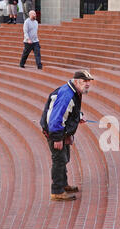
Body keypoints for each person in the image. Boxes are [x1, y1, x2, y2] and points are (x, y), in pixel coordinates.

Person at [40, 70, 94, 201]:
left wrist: (79, 116)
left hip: (61, 132)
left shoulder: (74, 91)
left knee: (64, 158)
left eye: (89, 81)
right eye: (84, 81)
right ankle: (57, 191)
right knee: (59, 160)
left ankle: (63, 185)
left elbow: (71, 110)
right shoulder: (67, 95)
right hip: (55, 133)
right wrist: (57, 138)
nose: (87, 84)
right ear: (76, 81)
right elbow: (55, 118)